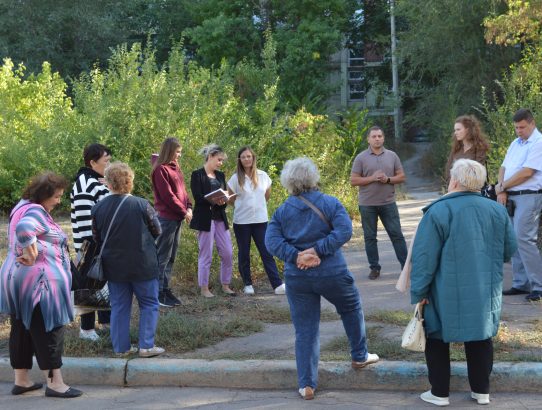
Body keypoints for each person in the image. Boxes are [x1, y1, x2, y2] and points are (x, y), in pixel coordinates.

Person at [265, 157, 379, 401]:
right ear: (313, 177)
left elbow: (271, 242)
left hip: (298, 277)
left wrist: (297, 256)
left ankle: (306, 384)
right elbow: (344, 230)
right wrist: (319, 250)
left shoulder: (282, 211)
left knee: (305, 330)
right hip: (332, 272)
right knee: (350, 308)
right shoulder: (330, 203)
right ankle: (359, 356)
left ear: (288, 182)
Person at [410, 159, 517, 407]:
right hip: (484, 287)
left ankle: (439, 393)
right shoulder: (497, 210)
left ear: (455, 181)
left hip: (442, 288)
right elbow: (509, 250)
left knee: (436, 336)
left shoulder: (438, 211)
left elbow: (424, 258)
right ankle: (482, 391)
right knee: (480, 335)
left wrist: (419, 292)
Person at [0, 172, 83, 398]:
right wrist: (29, 248)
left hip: (18, 279)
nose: (58, 201)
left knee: (23, 328)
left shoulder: (21, 206)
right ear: (43, 195)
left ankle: (22, 379)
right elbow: (26, 229)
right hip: (40, 284)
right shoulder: (35, 211)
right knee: (49, 328)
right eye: (56, 197)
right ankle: (55, 383)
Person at [91, 162, 164, 357]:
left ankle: (121, 348)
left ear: (108, 182)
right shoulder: (142, 204)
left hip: (114, 267)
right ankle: (146, 346)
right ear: (129, 181)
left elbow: (97, 238)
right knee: (149, 303)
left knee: (119, 306)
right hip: (143, 264)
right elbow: (157, 230)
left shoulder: (98, 208)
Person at [496, 108, 542, 302]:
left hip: (529, 196)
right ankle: (520, 283)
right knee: (513, 240)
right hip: (511, 195)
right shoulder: (516, 143)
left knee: (525, 238)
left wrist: (503, 185)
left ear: (532, 123)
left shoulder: (538, 143)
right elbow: (503, 167)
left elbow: (527, 172)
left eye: (522, 127)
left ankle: (538, 286)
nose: (518, 131)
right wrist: (502, 189)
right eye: (516, 127)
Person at [350, 126, 408, 280]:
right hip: (367, 204)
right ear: (368, 139)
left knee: (397, 235)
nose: (377, 139)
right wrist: (372, 178)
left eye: (380, 136)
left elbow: (402, 177)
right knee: (370, 237)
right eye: (374, 136)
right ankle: (374, 268)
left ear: (383, 138)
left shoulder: (392, 156)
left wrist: (387, 179)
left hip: (388, 202)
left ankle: (406, 267)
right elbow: (353, 180)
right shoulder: (361, 158)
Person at [227, 146, 285, 295]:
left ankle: (277, 284)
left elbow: (266, 196)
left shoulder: (263, 176)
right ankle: (247, 284)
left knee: (266, 251)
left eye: (249, 156)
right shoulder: (234, 178)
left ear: (253, 158)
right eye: (243, 157)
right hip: (242, 222)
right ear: (239, 160)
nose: (246, 159)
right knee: (244, 253)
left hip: (260, 220)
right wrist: (243, 207)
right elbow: (231, 200)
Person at [70, 143, 112, 341]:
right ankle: (86, 330)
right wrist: (96, 245)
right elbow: (86, 219)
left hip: (101, 244)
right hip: (91, 245)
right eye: (106, 160)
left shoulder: (97, 181)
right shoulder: (85, 183)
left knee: (103, 286)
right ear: (92, 162)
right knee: (88, 286)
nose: (109, 163)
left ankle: (105, 324)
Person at [190, 144, 236, 298]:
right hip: (205, 219)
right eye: (219, 159)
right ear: (210, 156)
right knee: (206, 254)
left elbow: (224, 194)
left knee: (228, 252)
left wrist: (224, 200)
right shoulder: (197, 175)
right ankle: (204, 288)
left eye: (222, 160)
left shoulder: (221, 175)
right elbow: (198, 198)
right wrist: (213, 200)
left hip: (220, 218)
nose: (220, 163)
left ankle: (225, 285)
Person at [152, 137, 193, 308]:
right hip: (167, 218)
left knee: (171, 256)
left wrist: (189, 207)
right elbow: (168, 196)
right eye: (177, 152)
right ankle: (158, 293)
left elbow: (182, 193)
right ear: (169, 151)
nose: (179, 155)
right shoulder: (160, 170)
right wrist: (184, 211)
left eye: (180, 152)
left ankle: (166, 288)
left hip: (177, 218)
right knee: (162, 257)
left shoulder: (176, 168)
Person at [444, 115, 490, 181]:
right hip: (454, 187)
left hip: (473, 187)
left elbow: (478, 172)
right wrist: (452, 185)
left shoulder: (479, 148)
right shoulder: (456, 148)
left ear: (467, 130)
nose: (455, 133)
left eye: (458, 129)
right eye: (455, 130)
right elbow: (448, 169)